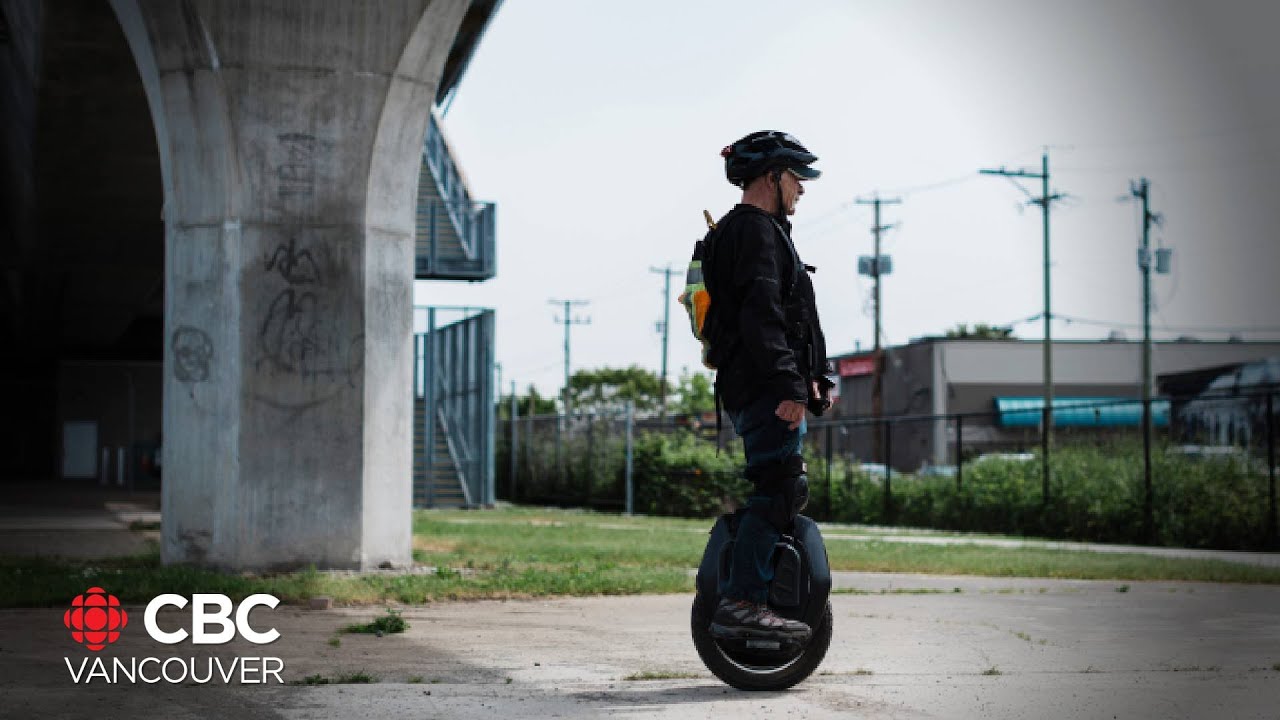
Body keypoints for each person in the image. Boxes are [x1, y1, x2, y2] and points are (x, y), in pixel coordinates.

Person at [702, 131, 834, 642]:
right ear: (771, 176)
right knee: (780, 487)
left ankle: (745, 594)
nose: (802, 186)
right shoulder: (754, 230)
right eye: (795, 175)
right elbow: (763, 317)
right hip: (763, 387)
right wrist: (790, 385)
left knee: (778, 487)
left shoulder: (755, 231)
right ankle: (743, 602)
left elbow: (787, 316)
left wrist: (815, 377)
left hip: (761, 383)